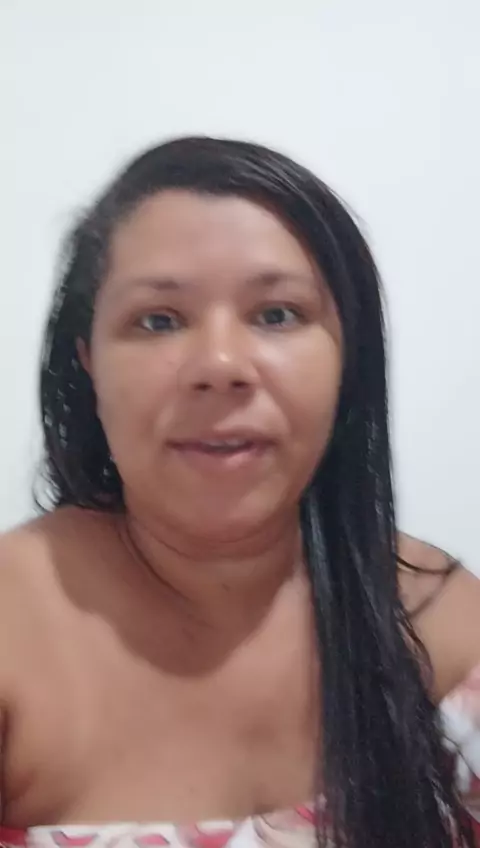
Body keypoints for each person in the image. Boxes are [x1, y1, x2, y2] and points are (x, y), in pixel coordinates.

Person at [0, 137, 479, 848]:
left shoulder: (436, 619)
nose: (221, 364)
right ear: (89, 362)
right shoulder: (14, 626)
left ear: (348, 358)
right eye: (159, 320)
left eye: (276, 314)